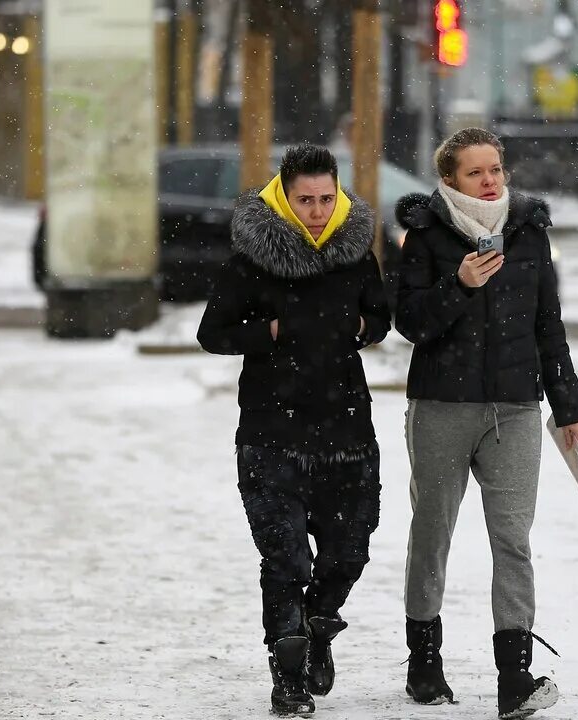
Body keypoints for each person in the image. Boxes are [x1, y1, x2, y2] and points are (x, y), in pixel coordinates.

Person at [393, 127, 578, 719]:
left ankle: (515, 677)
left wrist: (569, 405)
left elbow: (547, 324)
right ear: (450, 179)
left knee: (513, 539)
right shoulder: (425, 235)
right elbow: (410, 321)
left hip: (515, 409)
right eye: (476, 172)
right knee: (433, 534)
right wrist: (459, 285)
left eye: (496, 169)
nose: (490, 181)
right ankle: (425, 662)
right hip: (442, 407)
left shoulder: (528, 233)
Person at [197, 144, 390, 717]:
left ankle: (319, 633)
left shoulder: (354, 254)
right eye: (305, 200)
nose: (316, 210)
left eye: (326, 199)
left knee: (347, 553)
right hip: (270, 430)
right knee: (284, 559)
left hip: (347, 428)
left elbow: (380, 317)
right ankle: (288, 676)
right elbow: (213, 332)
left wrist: (360, 325)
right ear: (283, 196)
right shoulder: (250, 259)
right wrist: (271, 330)